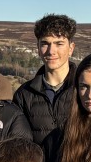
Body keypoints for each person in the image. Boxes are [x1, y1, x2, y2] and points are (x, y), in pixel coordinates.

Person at [12, 14, 78, 148]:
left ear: (71, 48)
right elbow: (20, 145)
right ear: (38, 48)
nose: (51, 51)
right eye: (45, 44)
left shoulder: (84, 89)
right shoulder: (24, 94)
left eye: (59, 43)